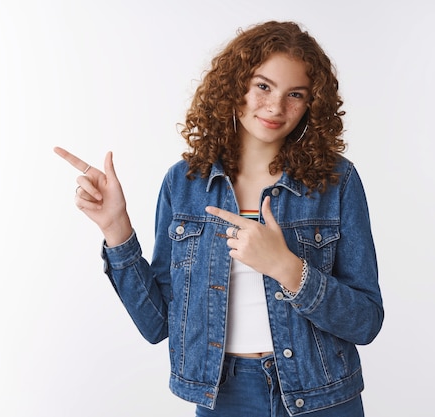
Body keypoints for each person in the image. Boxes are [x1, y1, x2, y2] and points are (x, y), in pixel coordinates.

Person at [54, 20, 383, 417]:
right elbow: (157, 323)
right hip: (227, 396)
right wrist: (115, 228)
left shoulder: (336, 181)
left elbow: (365, 322)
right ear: (235, 84)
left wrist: (286, 267)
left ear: (312, 104)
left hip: (323, 394)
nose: (276, 107)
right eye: (263, 86)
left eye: (295, 94)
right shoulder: (185, 182)